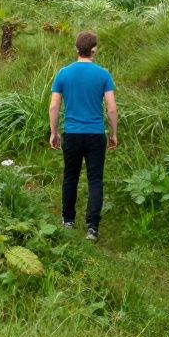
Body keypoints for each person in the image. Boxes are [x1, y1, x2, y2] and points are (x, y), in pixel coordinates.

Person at [49, 31, 118, 241]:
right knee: (95, 180)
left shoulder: (63, 73)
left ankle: (68, 221)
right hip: (96, 135)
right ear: (94, 50)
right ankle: (92, 228)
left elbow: (54, 106)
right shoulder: (103, 74)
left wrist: (54, 132)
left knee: (70, 177)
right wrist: (113, 133)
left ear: (76, 49)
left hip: (72, 134)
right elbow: (112, 109)